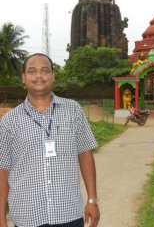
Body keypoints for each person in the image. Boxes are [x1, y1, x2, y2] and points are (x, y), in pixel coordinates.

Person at [0, 53, 100, 227]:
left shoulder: (73, 110)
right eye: (32, 71)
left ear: (53, 76)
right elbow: (3, 171)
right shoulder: (9, 121)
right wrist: (1, 218)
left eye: (45, 70)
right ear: (23, 78)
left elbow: (85, 154)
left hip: (69, 213)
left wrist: (92, 200)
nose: (39, 75)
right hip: (27, 217)